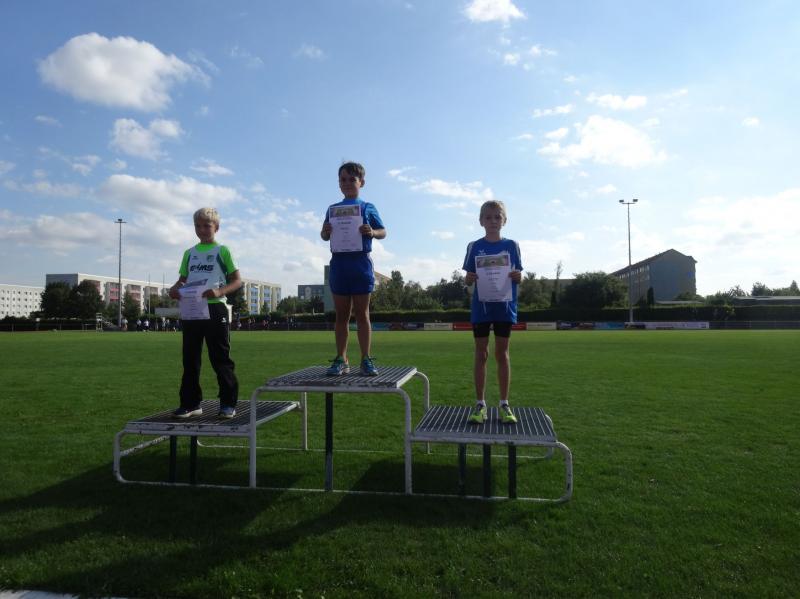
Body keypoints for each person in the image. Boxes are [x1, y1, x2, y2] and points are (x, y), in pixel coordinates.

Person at [169, 207, 242, 419]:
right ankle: (191, 403)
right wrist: (174, 289)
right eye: (198, 226)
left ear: (216, 227)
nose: (202, 230)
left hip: (215, 307)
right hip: (192, 308)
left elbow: (237, 281)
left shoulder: (222, 251)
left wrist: (219, 291)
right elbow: (182, 280)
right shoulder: (189, 253)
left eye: (207, 226)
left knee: (220, 358)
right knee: (190, 358)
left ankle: (228, 403)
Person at [320, 161, 386, 376]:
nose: (347, 183)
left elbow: (383, 231)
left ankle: (366, 359)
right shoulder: (332, 209)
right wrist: (325, 231)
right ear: (339, 183)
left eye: (352, 179)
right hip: (339, 265)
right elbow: (324, 235)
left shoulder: (367, 207)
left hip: (360, 265)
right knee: (341, 315)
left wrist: (372, 232)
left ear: (361, 182)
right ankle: (342, 359)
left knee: (362, 314)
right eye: (343, 179)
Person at [463, 200, 522, 425]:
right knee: (481, 354)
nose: (493, 221)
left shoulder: (512, 246)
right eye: (488, 217)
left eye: (497, 217)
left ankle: (504, 405)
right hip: (482, 308)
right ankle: (480, 405)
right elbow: (468, 279)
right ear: (481, 221)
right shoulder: (474, 246)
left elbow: (518, 275)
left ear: (504, 220)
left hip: (505, 307)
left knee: (502, 354)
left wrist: (518, 277)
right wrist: (468, 279)